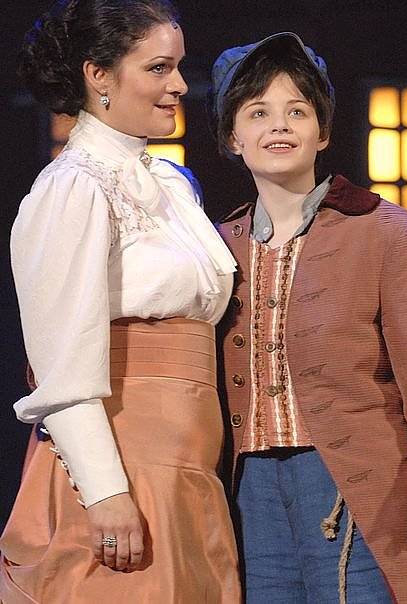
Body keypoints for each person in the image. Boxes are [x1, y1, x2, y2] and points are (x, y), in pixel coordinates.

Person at [208, 32, 407, 603]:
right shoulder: (214, 248)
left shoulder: (388, 235)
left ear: (323, 131)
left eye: (297, 111)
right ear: (233, 137)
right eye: (258, 112)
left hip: (355, 482)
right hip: (248, 492)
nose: (279, 125)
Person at [0, 1, 242, 602]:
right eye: (158, 68)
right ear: (98, 75)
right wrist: (106, 492)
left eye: (178, 66)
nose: (179, 85)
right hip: (123, 462)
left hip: (190, 462)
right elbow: (61, 361)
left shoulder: (172, 184)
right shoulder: (72, 187)